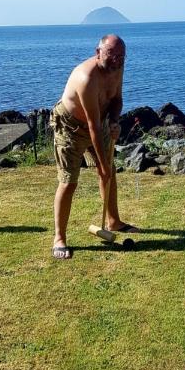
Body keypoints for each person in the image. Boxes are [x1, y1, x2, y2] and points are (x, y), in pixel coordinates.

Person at [51, 34, 139, 259]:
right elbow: (92, 125)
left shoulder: (117, 67)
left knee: (109, 175)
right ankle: (59, 238)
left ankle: (114, 221)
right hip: (70, 127)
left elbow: (117, 98)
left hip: (99, 122)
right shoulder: (87, 77)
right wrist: (101, 163)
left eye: (121, 56)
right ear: (98, 51)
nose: (117, 60)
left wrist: (115, 120)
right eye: (111, 54)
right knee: (69, 181)